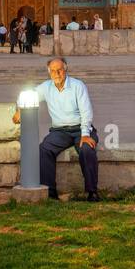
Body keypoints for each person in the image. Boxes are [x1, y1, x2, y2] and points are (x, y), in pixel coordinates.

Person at [16, 56, 99, 201]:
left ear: (65, 69)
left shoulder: (77, 85)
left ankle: (92, 191)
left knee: (87, 149)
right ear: (49, 73)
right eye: (53, 71)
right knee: (44, 149)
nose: (57, 74)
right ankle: (51, 192)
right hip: (60, 131)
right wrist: (20, 109)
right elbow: (26, 95)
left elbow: (87, 112)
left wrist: (85, 134)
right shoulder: (46, 87)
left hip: (81, 129)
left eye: (59, 70)